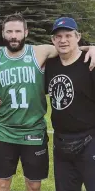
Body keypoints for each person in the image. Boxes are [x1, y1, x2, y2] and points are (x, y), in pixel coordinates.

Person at [0, 13, 95, 191]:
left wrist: (92, 48)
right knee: (2, 184)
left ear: (26, 32)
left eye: (18, 31)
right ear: (3, 33)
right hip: (5, 131)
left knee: (34, 186)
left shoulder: (40, 51)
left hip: (34, 130)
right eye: (9, 31)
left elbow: (71, 48)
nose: (13, 35)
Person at [45, 17, 95, 191]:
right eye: (58, 37)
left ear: (78, 36)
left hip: (90, 140)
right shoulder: (50, 65)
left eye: (68, 35)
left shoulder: (91, 62)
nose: (63, 40)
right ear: (53, 40)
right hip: (61, 143)